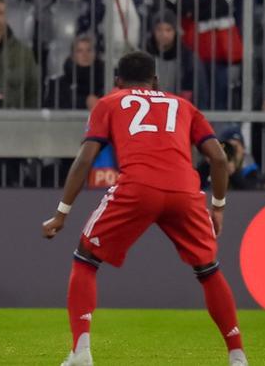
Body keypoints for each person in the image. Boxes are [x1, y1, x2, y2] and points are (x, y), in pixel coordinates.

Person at [42, 51, 248, 366]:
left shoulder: (110, 102)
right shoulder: (183, 105)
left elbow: (85, 159)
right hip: (185, 191)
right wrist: (218, 207)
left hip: (138, 188)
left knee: (86, 259)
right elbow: (219, 158)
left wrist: (61, 213)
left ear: (117, 81)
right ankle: (237, 355)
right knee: (208, 270)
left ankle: (81, 351)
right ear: (156, 80)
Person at [146, 9, 209, 108]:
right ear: (153, 31)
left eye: (168, 30)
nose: (164, 34)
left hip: (180, 111)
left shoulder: (188, 59)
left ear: (175, 31)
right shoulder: (145, 56)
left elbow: (200, 93)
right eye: (159, 29)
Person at [44, 36, 105, 110]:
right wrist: (85, 102)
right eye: (79, 51)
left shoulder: (105, 82)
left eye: (89, 50)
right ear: (73, 56)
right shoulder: (57, 85)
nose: (85, 55)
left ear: (95, 54)